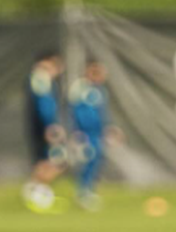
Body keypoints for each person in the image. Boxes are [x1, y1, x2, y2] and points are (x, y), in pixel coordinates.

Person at [22, 52, 67, 212]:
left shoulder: (45, 81)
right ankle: (34, 193)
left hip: (43, 127)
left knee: (46, 163)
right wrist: (50, 126)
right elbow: (44, 106)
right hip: (44, 128)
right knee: (53, 163)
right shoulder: (41, 79)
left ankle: (35, 193)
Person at [69, 61, 114, 210]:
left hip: (97, 133)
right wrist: (78, 131)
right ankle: (83, 192)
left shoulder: (99, 90)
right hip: (86, 134)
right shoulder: (81, 88)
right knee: (88, 161)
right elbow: (77, 111)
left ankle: (89, 191)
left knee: (95, 161)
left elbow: (102, 113)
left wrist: (108, 128)